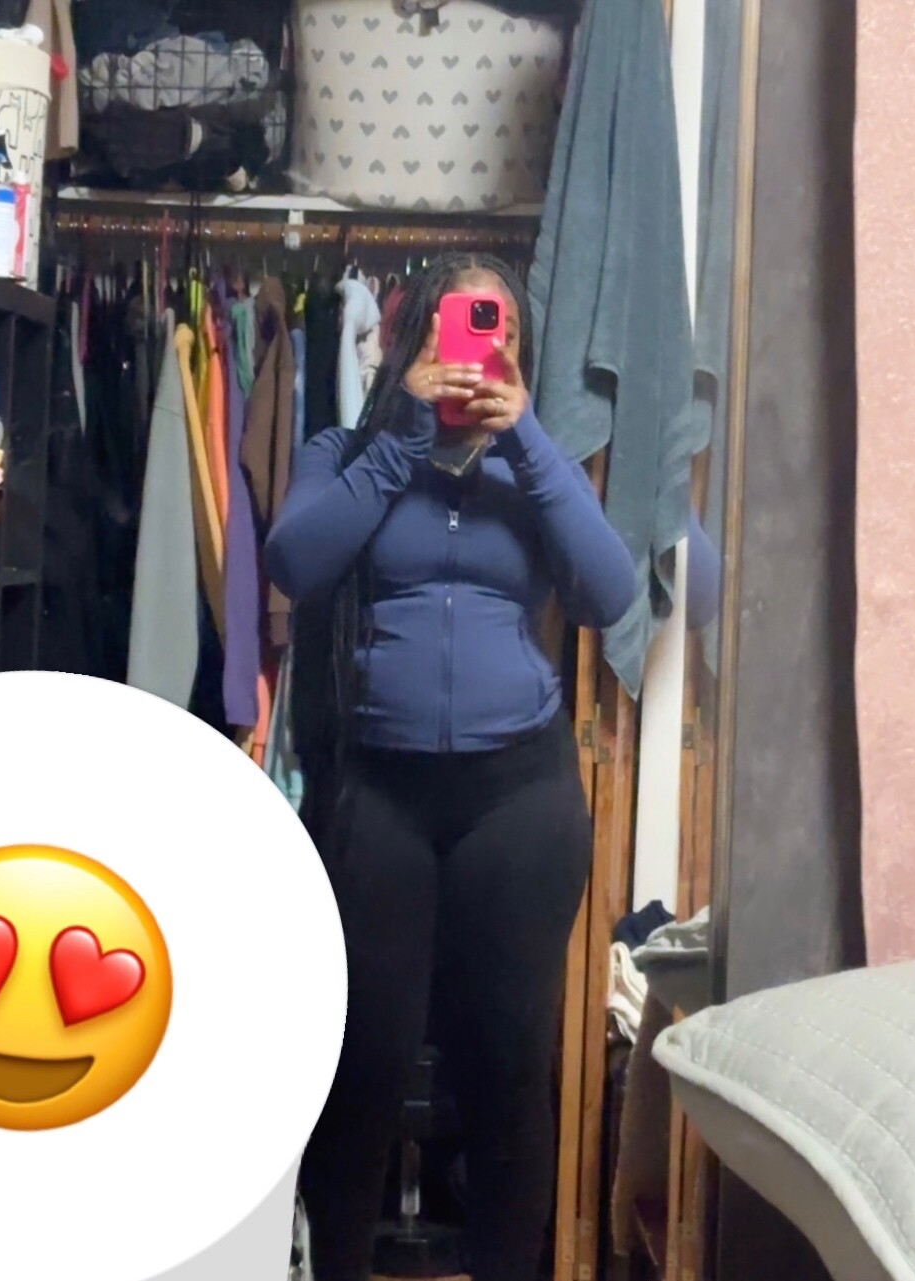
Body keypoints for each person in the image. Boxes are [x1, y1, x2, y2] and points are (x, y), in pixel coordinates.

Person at [265, 253, 635, 1281]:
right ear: (411, 336)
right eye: (460, 323)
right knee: (362, 1063)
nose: (481, 345)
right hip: (378, 797)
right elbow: (295, 561)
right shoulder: (347, 451)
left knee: (508, 1068)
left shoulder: (536, 469)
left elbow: (609, 593)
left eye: (499, 327)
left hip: (516, 798)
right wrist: (402, 439)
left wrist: (527, 437)